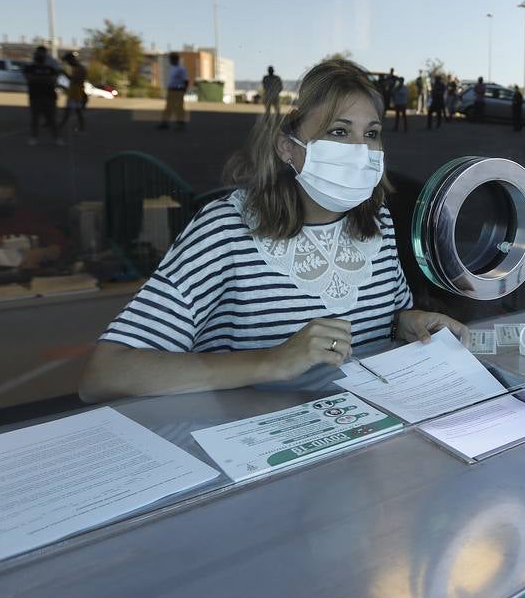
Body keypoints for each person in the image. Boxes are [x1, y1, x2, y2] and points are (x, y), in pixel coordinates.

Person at [79, 58, 465, 402]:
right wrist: (273, 361)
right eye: (339, 132)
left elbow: (374, 322)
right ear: (287, 148)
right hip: (248, 450)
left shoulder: (376, 220)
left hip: (357, 439)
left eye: (372, 133)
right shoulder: (225, 229)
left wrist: (406, 323)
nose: (361, 151)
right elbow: (106, 372)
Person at [22, 45, 62, 146]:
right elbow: (29, 78)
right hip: (35, 96)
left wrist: (38, 78)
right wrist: (45, 79)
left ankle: (56, 138)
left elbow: (53, 80)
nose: (40, 56)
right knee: (35, 118)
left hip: (49, 96)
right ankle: (34, 138)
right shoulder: (30, 67)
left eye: (42, 54)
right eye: (38, 54)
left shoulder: (50, 68)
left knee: (52, 118)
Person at [158, 51, 189, 131]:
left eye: (171, 59)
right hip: (171, 89)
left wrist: (184, 90)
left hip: (178, 90)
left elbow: (185, 80)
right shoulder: (172, 68)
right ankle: (165, 123)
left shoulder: (181, 69)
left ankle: (180, 124)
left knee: (179, 107)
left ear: (175, 60)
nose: (170, 61)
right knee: (168, 106)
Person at [62, 51, 88, 132]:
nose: (68, 63)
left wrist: (64, 74)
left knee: (74, 112)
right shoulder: (76, 68)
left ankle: (61, 127)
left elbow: (75, 80)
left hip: (77, 94)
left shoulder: (80, 68)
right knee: (75, 112)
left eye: (68, 61)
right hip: (73, 93)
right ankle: (81, 128)